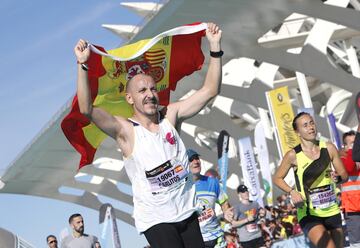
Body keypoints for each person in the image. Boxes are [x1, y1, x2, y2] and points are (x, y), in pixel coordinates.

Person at [74, 22, 222, 248]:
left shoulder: (171, 115)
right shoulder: (125, 131)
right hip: (157, 221)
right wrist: (83, 65)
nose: (150, 95)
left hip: (187, 211)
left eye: (153, 89)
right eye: (142, 91)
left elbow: (210, 90)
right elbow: (86, 109)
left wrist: (214, 48)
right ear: (130, 99)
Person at [273, 112, 348, 248]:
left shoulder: (329, 148)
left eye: (312, 123)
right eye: (305, 125)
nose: (311, 127)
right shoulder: (293, 155)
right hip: (309, 213)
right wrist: (292, 192)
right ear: (298, 132)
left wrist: (337, 178)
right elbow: (277, 178)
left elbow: (344, 175)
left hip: (332, 210)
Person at [187, 148, 231, 247]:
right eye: (191, 159)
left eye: (196, 158)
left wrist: (227, 213)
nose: (195, 161)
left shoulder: (213, 182)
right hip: (196, 241)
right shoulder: (183, 188)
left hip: (216, 237)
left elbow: (224, 203)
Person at [339, 131, 360, 248]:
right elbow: (349, 167)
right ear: (345, 147)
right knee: (357, 243)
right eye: (353, 143)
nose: (357, 144)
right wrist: (352, 151)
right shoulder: (343, 159)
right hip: (352, 209)